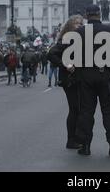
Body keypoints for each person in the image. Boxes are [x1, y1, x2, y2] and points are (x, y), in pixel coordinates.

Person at [75, 5, 110, 156]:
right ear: (100, 14)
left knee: (86, 112)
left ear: (86, 15)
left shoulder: (79, 32)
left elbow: (72, 55)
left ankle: (85, 146)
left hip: (86, 75)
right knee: (109, 111)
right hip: (106, 75)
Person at [47, 15, 84, 150]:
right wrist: (65, 64)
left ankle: (77, 138)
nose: (79, 26)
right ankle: (71, 140)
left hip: (78, 78)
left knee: (78, 109)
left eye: (81, 24)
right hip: (69, 79)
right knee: (75, 109)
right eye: (77, 24)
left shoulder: (77, 39)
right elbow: (51, 54)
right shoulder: (66, 39)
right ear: (70, 26)